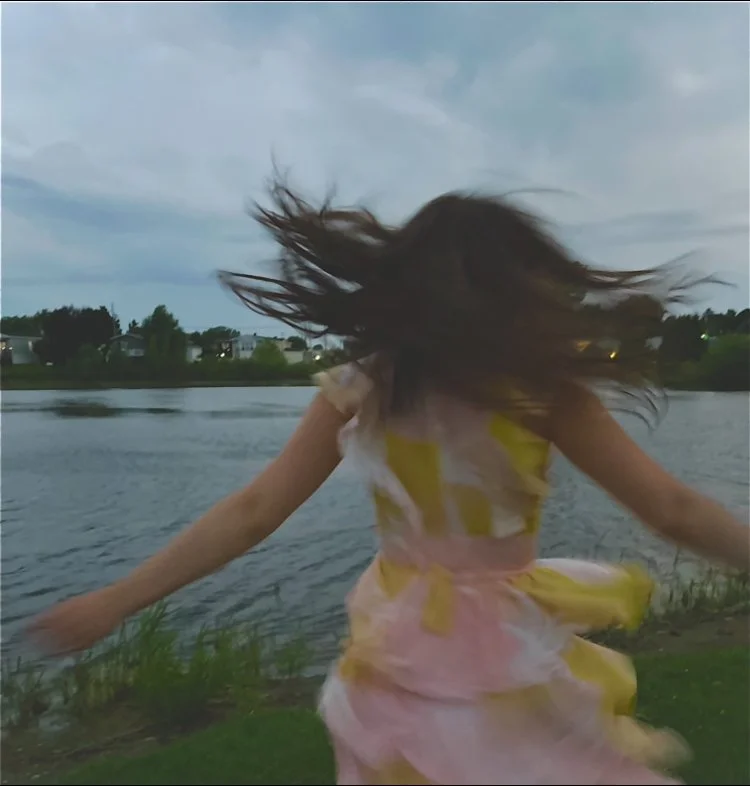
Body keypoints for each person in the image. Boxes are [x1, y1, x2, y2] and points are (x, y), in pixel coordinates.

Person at [33, 181, 748, 785]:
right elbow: (672, 509)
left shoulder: (363, 386)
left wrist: (117, 600)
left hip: (402, 643)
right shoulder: (543, 393)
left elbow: (253, 512)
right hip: (506, 644)